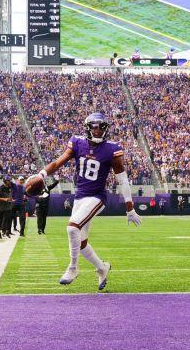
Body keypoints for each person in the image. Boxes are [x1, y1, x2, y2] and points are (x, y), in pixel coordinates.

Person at [28, 112, 143, 290]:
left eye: (100, 127)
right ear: (88, 128)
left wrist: (130, 208)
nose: (97, 131)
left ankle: (73, 268)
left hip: (97, 197)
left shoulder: (112, 149)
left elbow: (123, 180)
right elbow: (58, 162)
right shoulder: (77, 142)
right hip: (80, 196)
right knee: (80, 242)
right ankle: (102, 268)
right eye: (94, 127)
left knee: (72, 227)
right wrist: (42, 174)